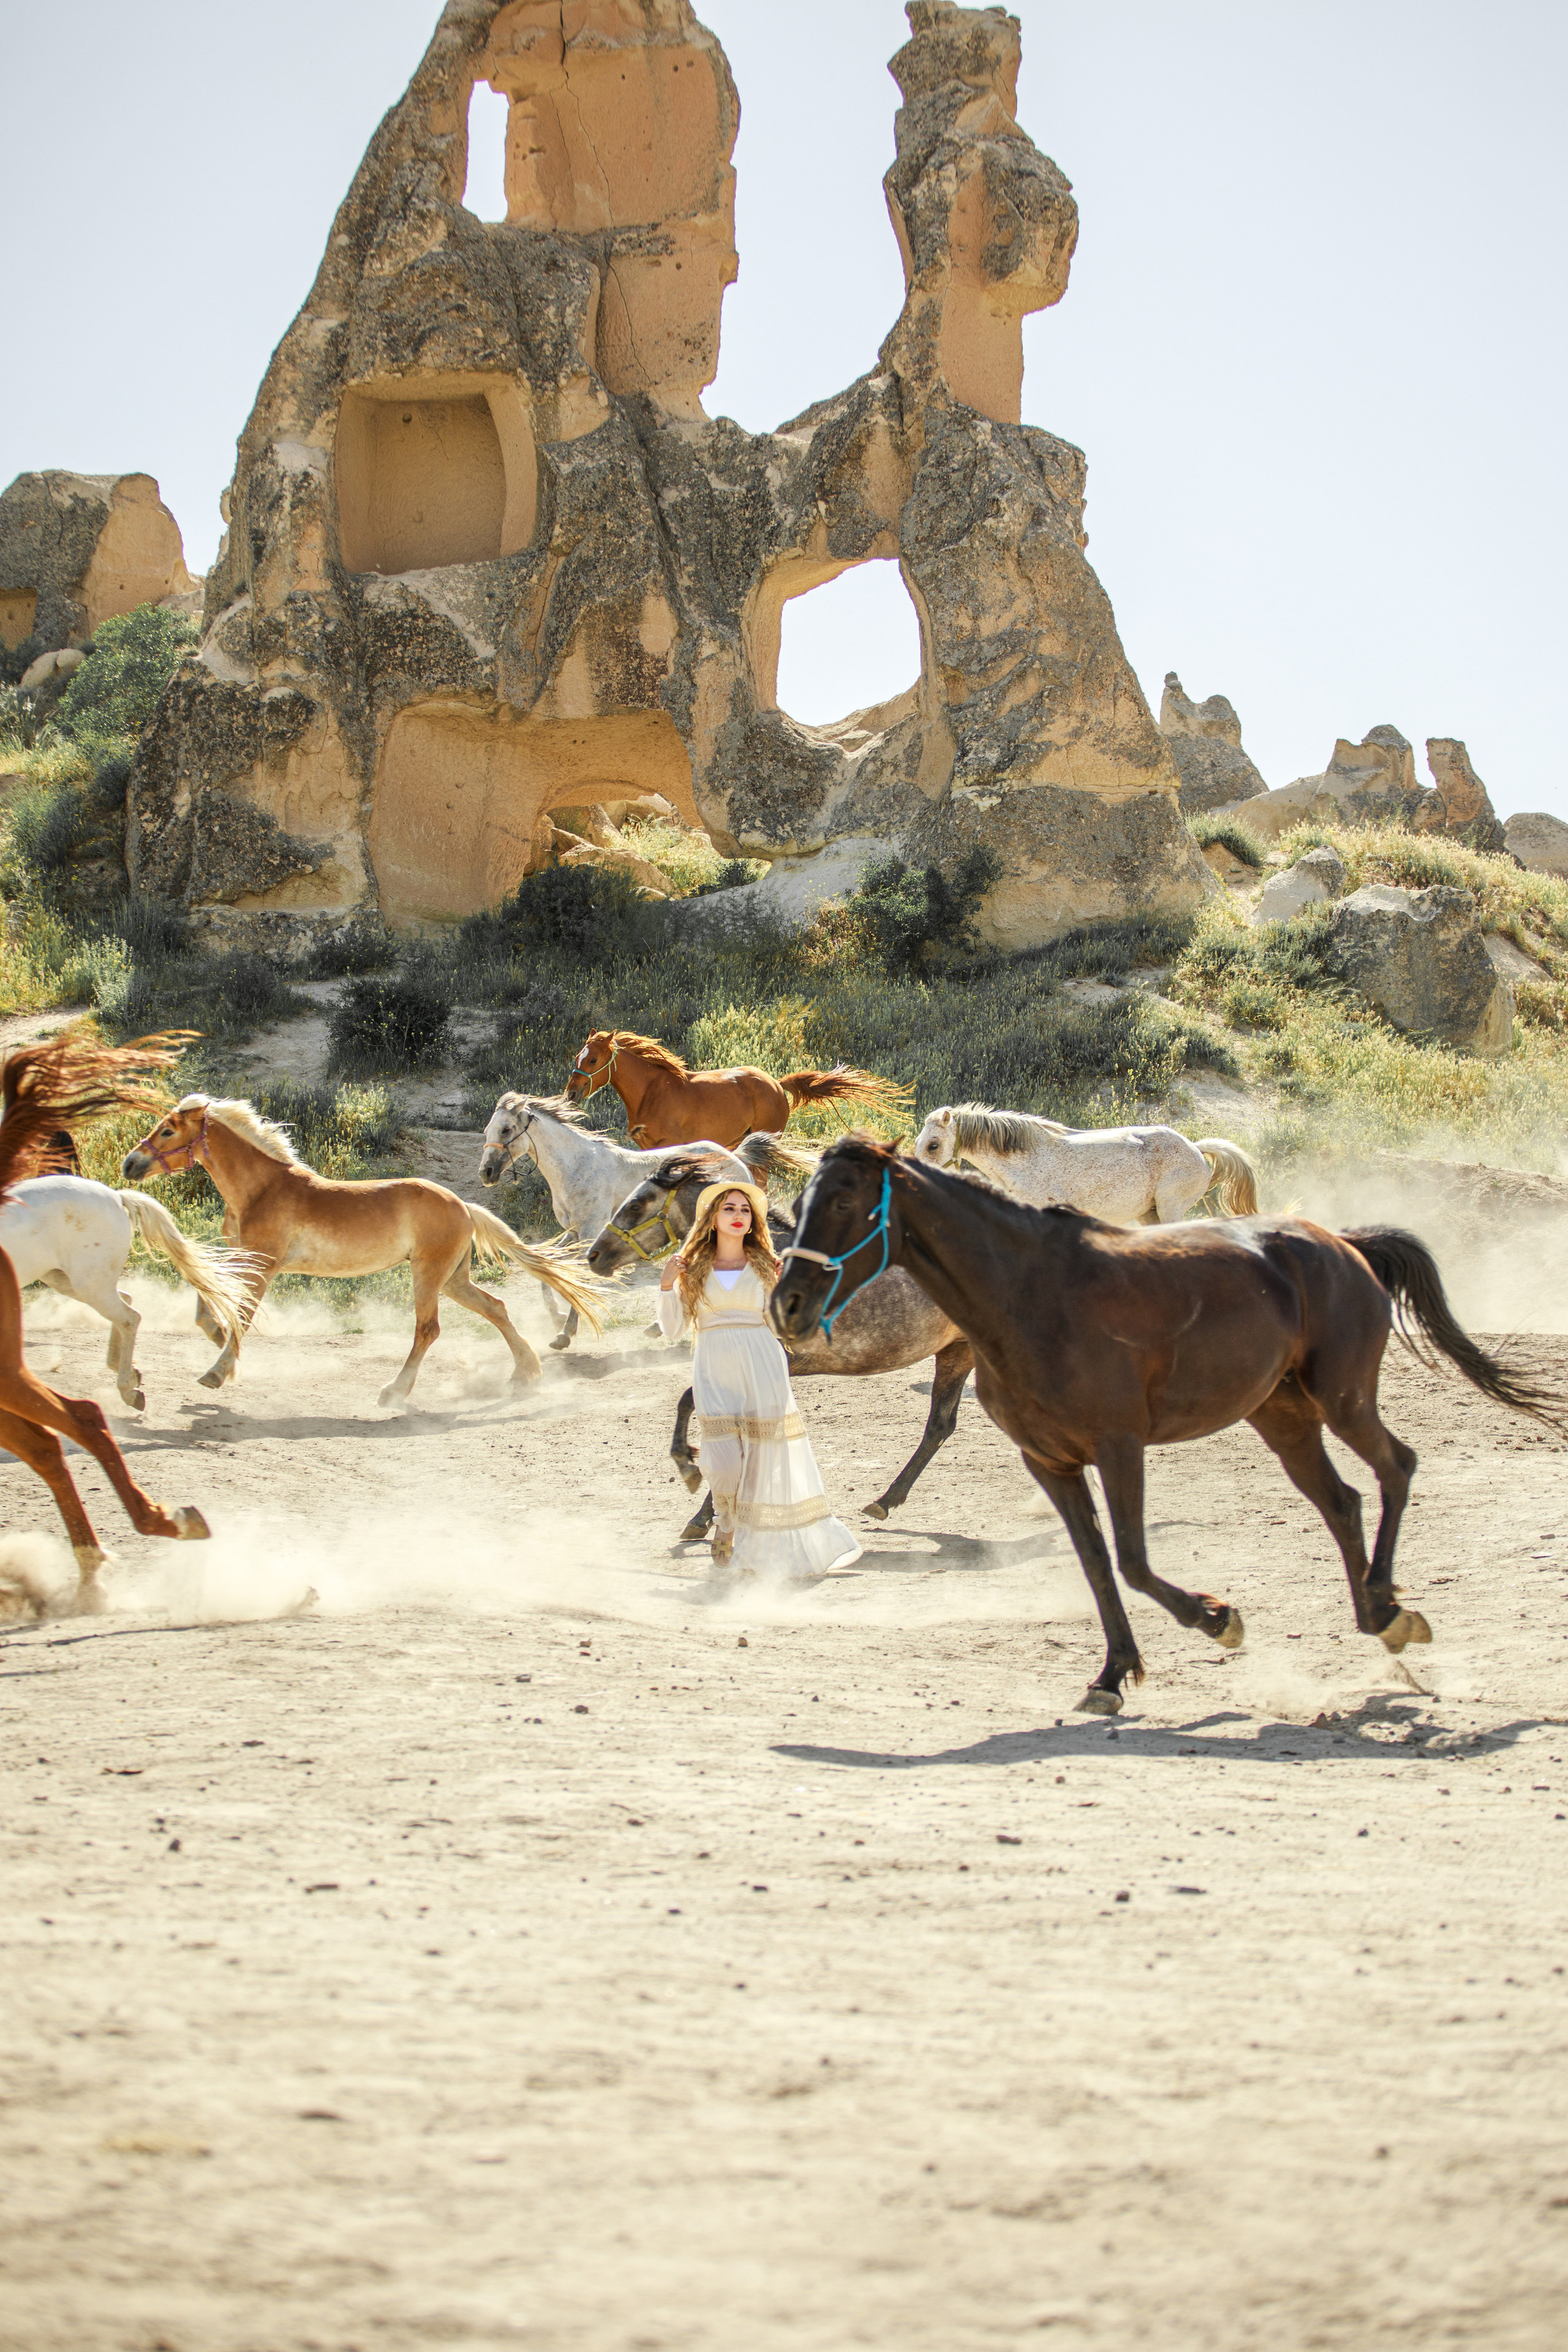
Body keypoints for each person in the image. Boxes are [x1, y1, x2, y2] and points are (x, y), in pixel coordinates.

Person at [658, 1182, 862, 1578]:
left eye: (746, 1210)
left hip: (763, 1364)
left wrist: (788, 1289)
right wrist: (667, 1284)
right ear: (713, 1219)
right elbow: (673, 1329)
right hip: (714, 1366)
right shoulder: (692, 1269)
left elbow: (786, 1328)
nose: (738, 1215)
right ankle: (726, 1521)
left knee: (762, 1462)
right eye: (729, 1208)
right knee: (723, 1461)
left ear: (753, 1222)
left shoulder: (768, 1267)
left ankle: (750, 1548)